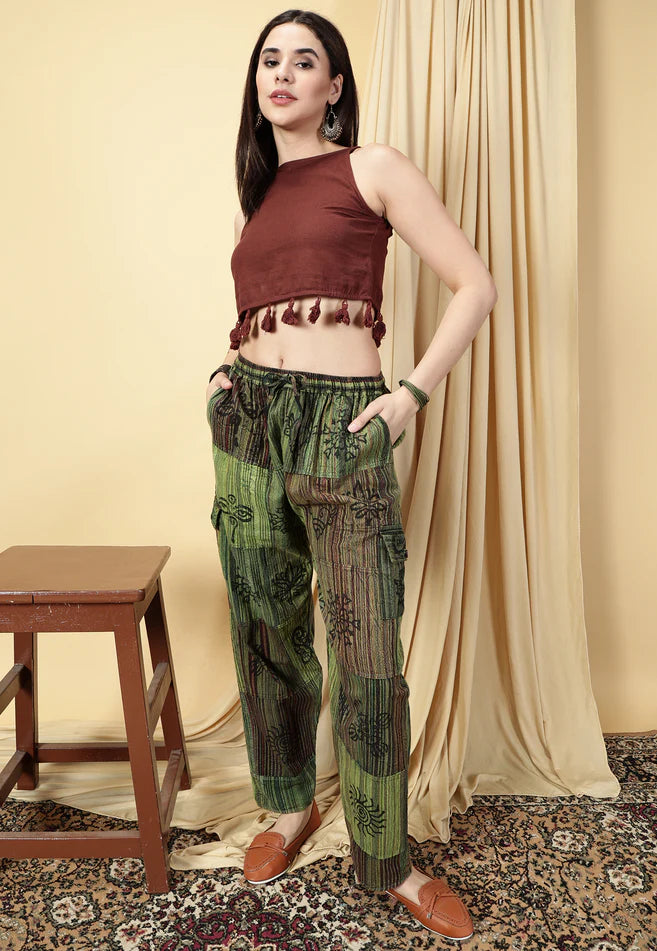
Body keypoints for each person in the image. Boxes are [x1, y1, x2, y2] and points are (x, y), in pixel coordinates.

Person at [205, 9, 496, 943]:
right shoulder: (259, 191)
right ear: (256, 84)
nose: (282, 73)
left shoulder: (371, 167)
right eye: (269, 61)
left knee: (367, 650)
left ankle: (389, 857)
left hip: (344, 426)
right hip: (248, 421)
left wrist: (409, 394)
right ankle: (288, 808)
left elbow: (474, 284)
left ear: (334, 87)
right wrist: (224, 366)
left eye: (305, 61)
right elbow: (264, 306)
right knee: (265, 623)